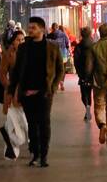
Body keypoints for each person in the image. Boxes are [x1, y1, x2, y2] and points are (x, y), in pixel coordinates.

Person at [9, 17, 65, 167]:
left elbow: (60, 69)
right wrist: (12, 90)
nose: (30, 30)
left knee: (44, 123)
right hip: (27, 92)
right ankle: (35, 154)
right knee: (32, 125)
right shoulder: (23, 48)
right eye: (30, 27)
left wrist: (53, 87)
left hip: (45, 93)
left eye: (33, 27)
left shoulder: (52, 47)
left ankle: (44, 155)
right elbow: (16, 71)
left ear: (42, 29)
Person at [0, 30, 24, 158]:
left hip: (26, 92)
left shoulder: (27, 53)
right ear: (13, 41)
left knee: (24, 123)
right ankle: (11, 150)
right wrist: (9, 86)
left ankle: (13, 145)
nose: (21, 42)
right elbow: (2, 74)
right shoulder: (8, 55)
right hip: (12, 93)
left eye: (22, 39)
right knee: (13, 122)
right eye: (18, 40)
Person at [73, 27, 95, 122]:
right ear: (90, 34)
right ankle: (89, 108)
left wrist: (79, 73)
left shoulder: (78, 46)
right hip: (93, 75)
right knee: (90, 93)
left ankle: (87, 108)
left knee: (84, 94)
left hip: (82, 75)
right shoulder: (94, 45)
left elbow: (76, 61)